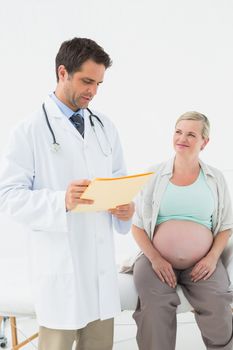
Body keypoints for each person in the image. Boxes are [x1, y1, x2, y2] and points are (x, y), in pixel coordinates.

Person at [0, 37, 134, 350]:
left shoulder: (105, 127)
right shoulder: (29, 130)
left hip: (101, 274)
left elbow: (120, 181)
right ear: (63, 73)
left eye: (99, 83)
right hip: (61, 271)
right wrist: (61, 200)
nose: (93, 91)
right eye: (87, 81)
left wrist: (125, 209)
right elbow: (8, 196)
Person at [131, 111, 233, 350]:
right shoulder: (154, 175)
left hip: (202, 262)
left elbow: (226, 227)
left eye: (191, 134)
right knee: (155, 308)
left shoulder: (215, 178)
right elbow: (136, 226)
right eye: (178, 132)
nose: (182, 138)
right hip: (155, 259)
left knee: (218, 303)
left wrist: (211, 259)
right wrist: (155, 259)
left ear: (204, 142)